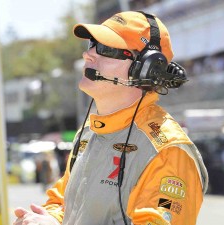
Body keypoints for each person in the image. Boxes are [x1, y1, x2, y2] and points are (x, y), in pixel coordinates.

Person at [13, 11, 208, 225]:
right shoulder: (89, 131)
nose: (88, 55)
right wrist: (45, 219)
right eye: (91, 44)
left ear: (145, 68)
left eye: (106, 48)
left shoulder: (168, 151)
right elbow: (63, 204)